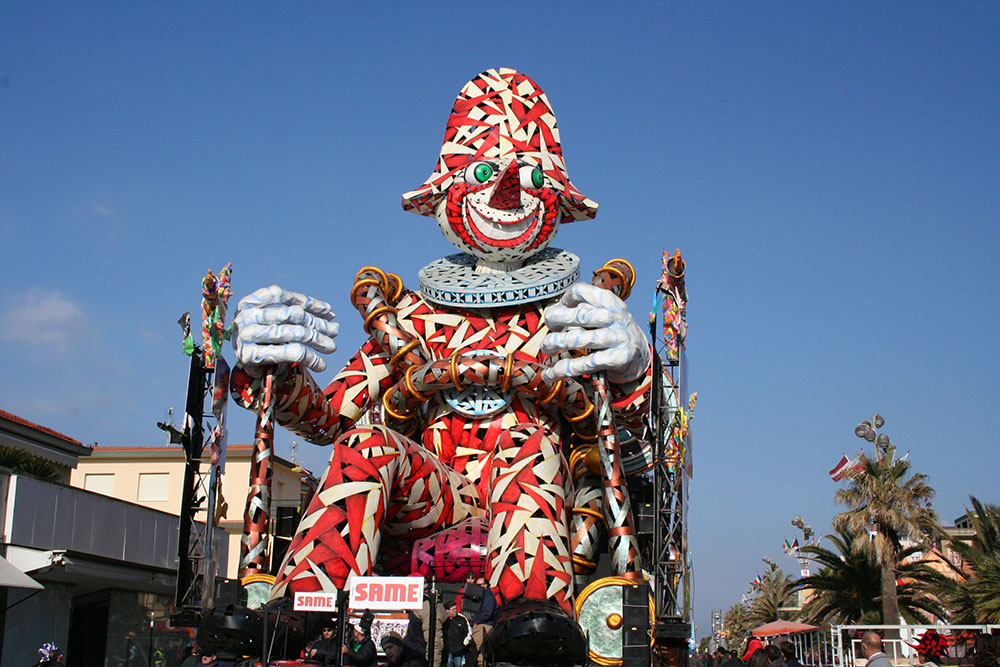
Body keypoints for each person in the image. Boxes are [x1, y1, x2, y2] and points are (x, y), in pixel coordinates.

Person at [230, 69, 652, 658]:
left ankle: (528, 616)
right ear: (447, 189)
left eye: (527, 178)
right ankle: (303, 605)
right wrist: (271, 371)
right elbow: (332, 420)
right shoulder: (412, 321)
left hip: (535, 496)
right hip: (435, 495)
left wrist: (632, 368)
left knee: (529, 448)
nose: (505, 195)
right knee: (370, 445)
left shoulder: (572, 316)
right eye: (483, 172)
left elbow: (622, 434)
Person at [404, 592, 445, 667]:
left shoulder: (427, 606)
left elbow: (435, 643)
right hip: (414, 659)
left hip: (420, 661)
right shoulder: (421, 606)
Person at [444, 602, 473, 667]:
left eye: (456, 609)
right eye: (453, 609)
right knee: (449, 663)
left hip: (459, 648)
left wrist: (464, 643)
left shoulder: (462, 619)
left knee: (458, 664)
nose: (455, 611)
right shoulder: (444, 619)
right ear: (447, 611)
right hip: (448, 648)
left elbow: (469, 632)